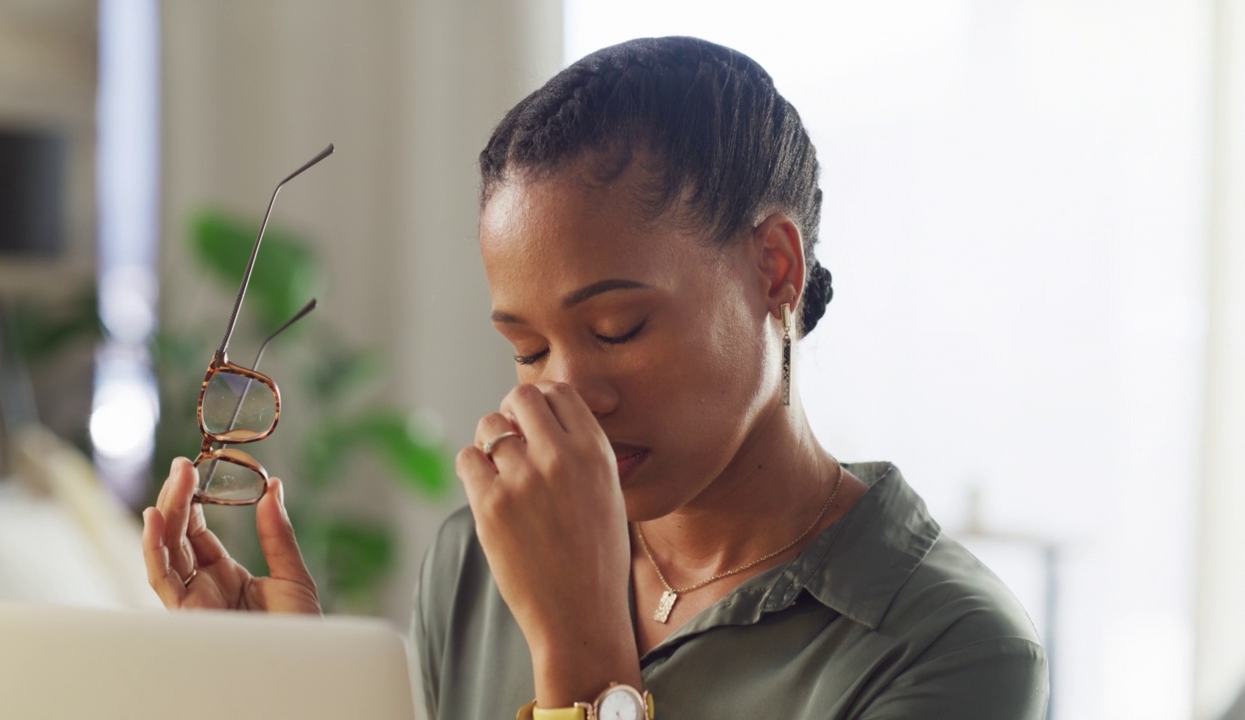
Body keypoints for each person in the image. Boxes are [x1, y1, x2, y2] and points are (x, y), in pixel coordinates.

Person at [143, 36, 1048, 720]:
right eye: (528, 351)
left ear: (774, 268)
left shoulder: (945, 647)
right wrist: (296, 696)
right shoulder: (481, 559)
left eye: (619, 328)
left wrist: (583, 665)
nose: (564, 395)